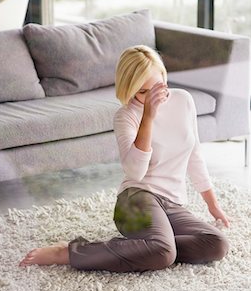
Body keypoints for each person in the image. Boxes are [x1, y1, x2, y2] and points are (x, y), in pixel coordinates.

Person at [19, 45, 230, 272]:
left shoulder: (183, 101)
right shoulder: (126, 116)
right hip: (134, 202)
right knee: (163, 252)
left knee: (216, 244)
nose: (152, 97)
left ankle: (149, 246)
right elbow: (135, 172)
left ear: (164, 78)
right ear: (129, 89)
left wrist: (213, 204)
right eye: (143, 92)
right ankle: (70, 252)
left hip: (172, 204)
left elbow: (194, 154)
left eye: (158, 87)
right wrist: (148, 116)